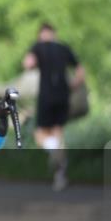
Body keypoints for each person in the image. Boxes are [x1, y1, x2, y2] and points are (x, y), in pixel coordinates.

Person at [23, 22, 84, 191]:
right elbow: (80, 71)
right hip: (63, 95)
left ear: (41, 34)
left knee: (40, 134)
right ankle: (60, 176)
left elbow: (28, 63)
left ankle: (57, 156)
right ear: (54, 33)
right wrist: (73, 85)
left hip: (46, 96)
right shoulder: (64, 47)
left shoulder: (38, 46)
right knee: (58, 132)